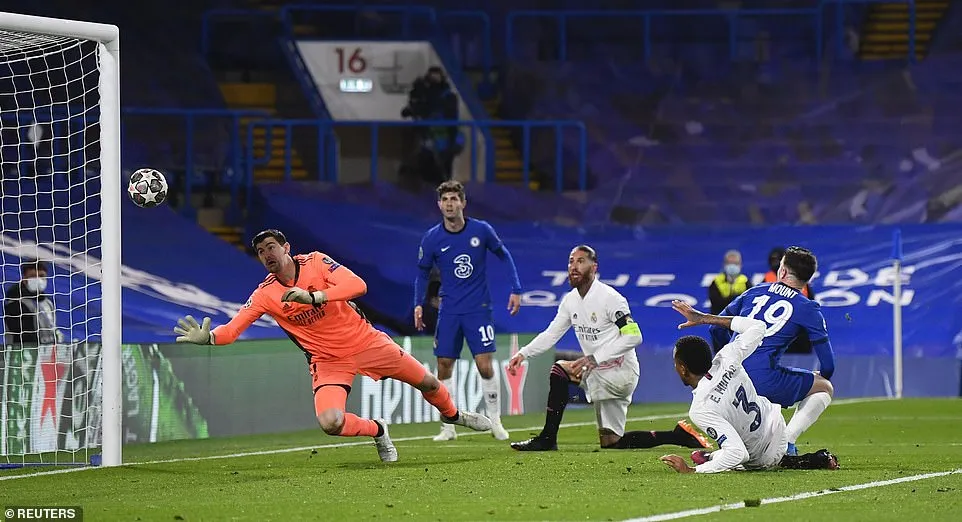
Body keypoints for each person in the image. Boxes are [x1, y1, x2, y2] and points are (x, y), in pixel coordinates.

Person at [173, 229, 492, 463]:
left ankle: (453, 415)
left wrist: (315, 296)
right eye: (260, 251)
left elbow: (358, 285)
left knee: (429, 383)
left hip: (367, 342)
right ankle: (378, 430)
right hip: (328, 361)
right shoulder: (265, 294)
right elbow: (232, 330)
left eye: (271, 247)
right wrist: (210, 338)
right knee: (330, 423)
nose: (267, 254)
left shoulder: (316, 262)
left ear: (286, 248)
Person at [506, 245, 711, 452]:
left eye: (580, 261)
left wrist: (594, 358)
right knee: (612, 442)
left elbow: (634, 336)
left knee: (560, 370)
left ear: (594, 267)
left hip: (620, 373)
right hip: (598, 371)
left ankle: (547, 439)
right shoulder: (570, 301)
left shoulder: (610, 299)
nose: (574, 267)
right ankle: (676, 436)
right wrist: (523, 353)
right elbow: (551, 334)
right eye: (571, 261)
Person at [659, 299, 840, 473]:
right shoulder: (727, 356)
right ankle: (712, 456)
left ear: (683, 369)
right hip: (777, 427)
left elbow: (738, 454)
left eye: (675, 363)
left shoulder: (700, 409)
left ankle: (711, 457)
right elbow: (758, 327)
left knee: (731, 456)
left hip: (762, 457)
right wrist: (704, 318)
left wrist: (692, 470)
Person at [414, 180, 522, 441]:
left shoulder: (481, 230)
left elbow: (504, 254)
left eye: (454, 199)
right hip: (449, 310)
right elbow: (422, 273)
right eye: (445, 200)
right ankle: (448, 427)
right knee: (444, 365)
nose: (449, 204)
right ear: (439, 205)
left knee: (484, 365)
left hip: (478, 309)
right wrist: (418, 303)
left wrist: (516, 288)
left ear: (463, 203)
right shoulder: (432, 238)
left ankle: (495, 421)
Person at [708, 246, 835, 456]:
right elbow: (828, 365)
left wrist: (730, 358)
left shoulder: (755, 291)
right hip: (762, 378)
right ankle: (787, 443)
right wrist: (812, 381)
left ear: (782, 271)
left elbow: (715, 328)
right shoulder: (808, 308)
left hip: (725, 377)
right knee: (824, 387)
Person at [4, 259, 62, 346]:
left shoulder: (47, 302)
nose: (38, 279)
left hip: (47, 351)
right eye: (33, 276)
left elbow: (52, 327)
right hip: (24, 352)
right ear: (24, 279)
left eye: (41, 276)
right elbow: (24, 338)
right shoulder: (15, 304)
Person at [708, 249, 751, 315]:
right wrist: (736, 299)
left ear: (740, 265)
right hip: (720, 316)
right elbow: (715, 302)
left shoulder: (745, 281)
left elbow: (750, 301)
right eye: (730, 263)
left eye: (736, 263)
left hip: (739, 317)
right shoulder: (717, 281)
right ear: (724, 264)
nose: (732, 266)